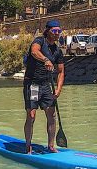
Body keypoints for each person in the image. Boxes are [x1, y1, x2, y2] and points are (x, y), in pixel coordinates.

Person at [23, 19, 65, 154]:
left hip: (46, 86)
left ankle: (51, 146)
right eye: (55, 31)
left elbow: (61, 72)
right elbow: (34, 52)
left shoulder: (58, 51)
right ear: (48, 31)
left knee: (51, 115)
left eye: (59, 31)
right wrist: (45, 59)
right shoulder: (39, 41)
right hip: (33, 84)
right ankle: (28, 146)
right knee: (32, 115)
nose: (57, 33)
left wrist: (58, 89)